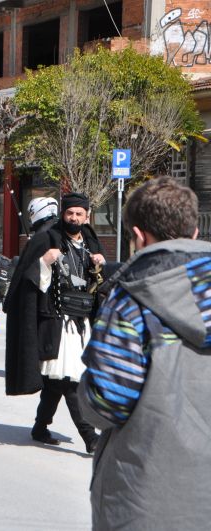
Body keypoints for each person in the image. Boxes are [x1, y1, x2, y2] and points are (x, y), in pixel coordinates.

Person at [78, 177, 211, 529]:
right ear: (195, 231)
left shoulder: (131, 299)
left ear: (138, 236)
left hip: (148, 497)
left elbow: (105, 402)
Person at [4, 192, 102, 454]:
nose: (74, 218)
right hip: (56, 323)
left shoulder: (90, 243)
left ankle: (39, 427)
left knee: (57, 382)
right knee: (70, 381)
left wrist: (99, 265)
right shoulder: (47, 239)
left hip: (82, 323)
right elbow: (27, 282)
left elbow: (96, 284)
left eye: (79, 214)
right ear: (63, 214)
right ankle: (91, 438)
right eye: (70, 213)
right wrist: (44, 263)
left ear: (86, 216)